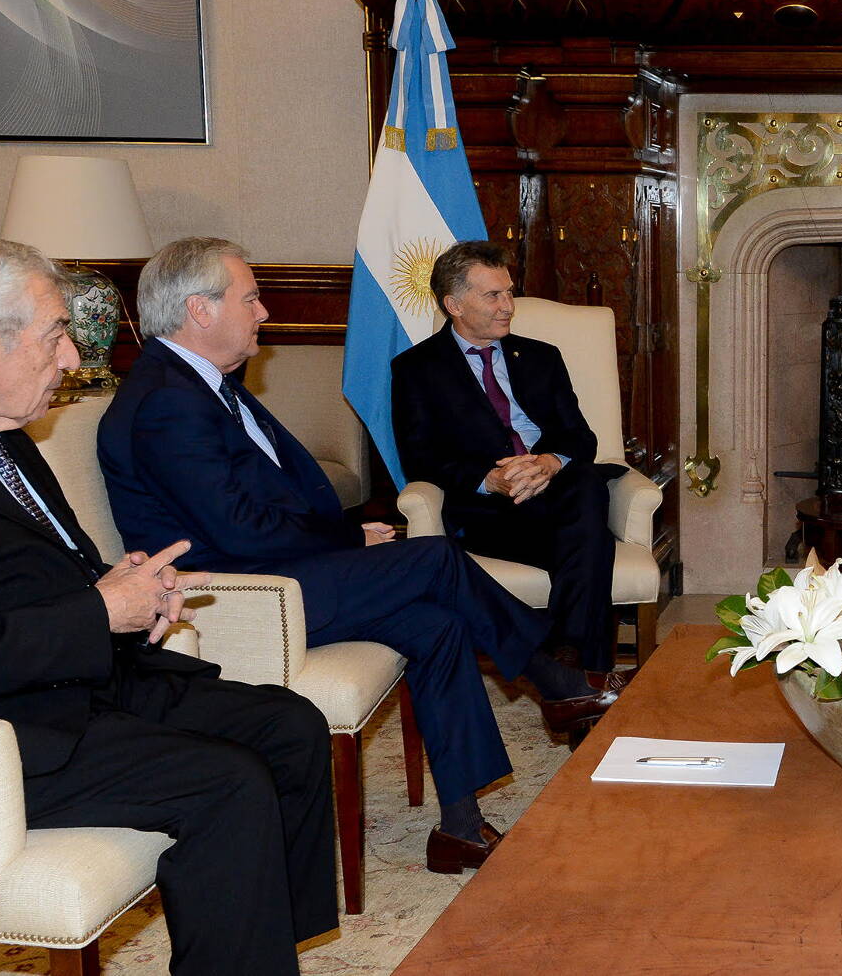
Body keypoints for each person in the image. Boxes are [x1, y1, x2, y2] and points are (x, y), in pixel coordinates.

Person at [0, 238, 336, 974]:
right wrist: (96, 614)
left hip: (79, 681)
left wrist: (129, 591)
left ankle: (265, 949)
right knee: (228, 783)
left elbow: (36, 575)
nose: (73, 360)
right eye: (56, 335)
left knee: (290, 725)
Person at [98, 237, 616, 875]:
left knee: (439, 623)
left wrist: (352, 530)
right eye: (252, 298)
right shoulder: (168, 402)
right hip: (237, 597)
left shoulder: (205, 389)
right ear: (199, 311)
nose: (265, 313)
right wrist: (350, 538)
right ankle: (554, 678)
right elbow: (238, 532)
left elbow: (275, 506)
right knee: (434, 559)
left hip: (280, 574)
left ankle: (460, 826)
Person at [391, 240, 618, 672]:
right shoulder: (416, 369)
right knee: (592, 542)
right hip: (490, 510)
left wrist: (548, 463)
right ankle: (581, 668)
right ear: (453, 304)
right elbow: (420, 458)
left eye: (509, 292)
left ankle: (566, 664)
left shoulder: (541, 357)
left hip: (558, 493)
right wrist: (489, 479)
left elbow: (580, 438)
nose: (508, 306)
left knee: (586, 482)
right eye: (493, 295)